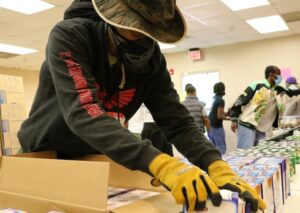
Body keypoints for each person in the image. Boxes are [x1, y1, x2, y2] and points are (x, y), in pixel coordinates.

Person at [17, 0, 265, 212]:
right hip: (45, 155)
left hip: (95, 156)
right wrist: (161, 164)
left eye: (152, 31)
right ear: (114, 19)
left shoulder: (152, 60)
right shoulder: (71, 36)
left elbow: (177, 122)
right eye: (138, 29)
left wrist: (214, 163)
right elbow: (85, 113)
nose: (146, 38)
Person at [230, 65, 300, 149]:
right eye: (278, 75)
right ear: (271, 74)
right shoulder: (257, 85)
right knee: (245, 153)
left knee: (258, 155)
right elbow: (240, 100)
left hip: (261, 129)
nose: (280, 77)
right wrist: (234, 118)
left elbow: (292, 92)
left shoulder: (278, 89)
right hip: (247, 125)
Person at [209, 82, 229, 154]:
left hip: (211, 126)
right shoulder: (221, 100)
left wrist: (227, 113)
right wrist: (231, 119)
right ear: (223, 89)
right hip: (217, 127)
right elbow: (219, 116)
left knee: (213, 150)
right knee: (221, 148)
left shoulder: (214, 99)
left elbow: (216, 113)